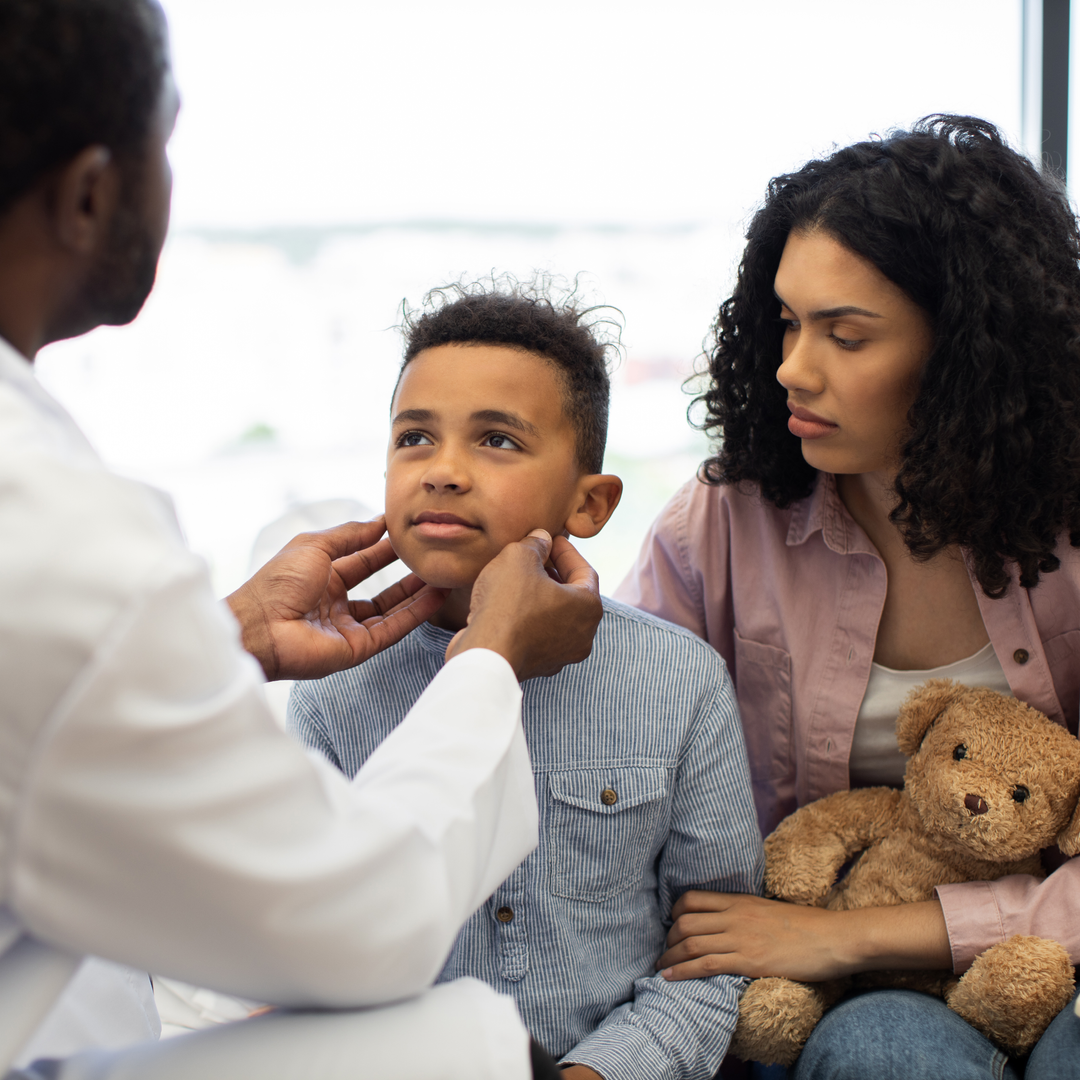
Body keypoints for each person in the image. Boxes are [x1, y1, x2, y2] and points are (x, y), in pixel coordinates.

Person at [0, 2, 607, 1078]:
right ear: (93, 191)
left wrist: (222, 638)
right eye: (169, 138)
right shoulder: (58, 534)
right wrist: (487, 664)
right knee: (463, 1048)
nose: (448, 468)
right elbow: (361, 926)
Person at [615, 115, 1080, 1079]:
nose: (792, 367)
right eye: (786, 322)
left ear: (967, 354)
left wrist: (850, 938)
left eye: (846, 333)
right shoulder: (724, 523)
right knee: (878, 1051)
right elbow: (617, 749)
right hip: (836, 1006)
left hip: (1048, 956)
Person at [288, 283, 765, 1080]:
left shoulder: (678, 683)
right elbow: (313, 958)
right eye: (414, 437)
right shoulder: (333, 693)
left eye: (498, 441)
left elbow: (714, 955)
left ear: (590, 503)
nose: (442, 471)